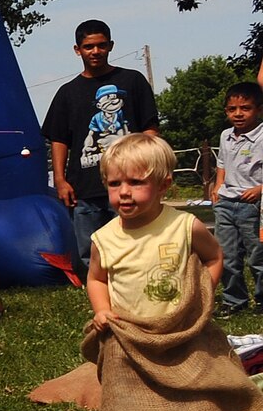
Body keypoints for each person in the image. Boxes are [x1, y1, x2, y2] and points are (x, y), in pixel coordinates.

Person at [41, 20, 158, 273]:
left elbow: (150, 130)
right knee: (89, 250)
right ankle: (96, 296)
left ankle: (133, 287)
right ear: (77, 50)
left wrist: (153, 167)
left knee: (134, 244)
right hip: (85, 187)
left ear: (110, 46)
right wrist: (60, 180)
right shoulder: (67, 93)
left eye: (101, 45)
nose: (95, 51)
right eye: (88, 46)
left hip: (130, 181)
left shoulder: (133, 80)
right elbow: (59, 139)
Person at [87, 133, 221, 333]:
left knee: (215, 365)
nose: (124, 192)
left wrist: (202, 294)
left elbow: (214, 257)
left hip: (181, 328)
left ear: (163, 185)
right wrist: (102, 310)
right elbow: (96, 279)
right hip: (129, 332)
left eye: (135, 182)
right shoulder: (103, 239)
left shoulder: (184, 226)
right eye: (115, 183)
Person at [207, 80, 263, 317]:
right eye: (232, 109)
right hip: (227, 203)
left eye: (245, 108)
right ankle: (234, 300)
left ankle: (261, 300)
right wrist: (218, 185)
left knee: (257, 255)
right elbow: (222, 164)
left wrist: (260, 189)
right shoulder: (225, 136)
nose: (238, 114)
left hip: (253, 204)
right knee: (226, 254)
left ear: (258, 110)